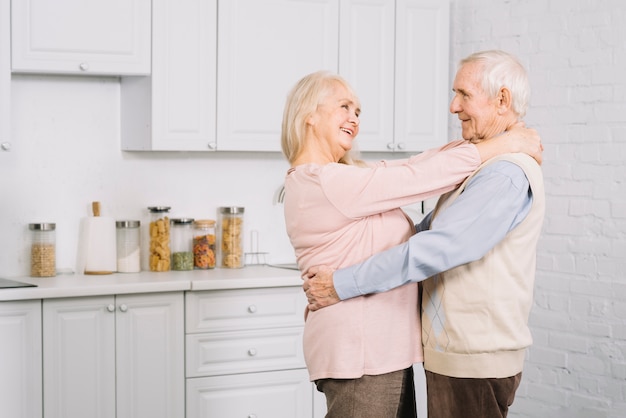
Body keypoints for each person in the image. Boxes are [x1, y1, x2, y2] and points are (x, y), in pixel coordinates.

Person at [281, 67, 542, 417]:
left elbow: (416, 165)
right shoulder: (324, 181)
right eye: (344, 106)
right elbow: (419, 175)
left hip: (381, 351)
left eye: (357, 111)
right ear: (308, 114)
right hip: (361, 354)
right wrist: (505, 142)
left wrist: (490, 142)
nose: (354, 118)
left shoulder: (345, 180)